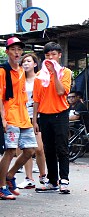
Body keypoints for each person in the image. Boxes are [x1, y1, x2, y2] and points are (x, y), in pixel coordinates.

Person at [0, 37, 38, 200]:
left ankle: (10, 175)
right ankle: (1, 186)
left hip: (23, 115)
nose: (17, 53)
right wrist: (3, 118)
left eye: (19, 50)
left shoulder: (22, 71)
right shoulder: (2, 71)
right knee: (10, 151)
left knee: (30, 150)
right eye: (13, 49)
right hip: (10, 115)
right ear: (7, 51)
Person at [33, 42, 73, 194]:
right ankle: (52, 181)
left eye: (54, 55)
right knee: (48, 149)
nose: (51, 58)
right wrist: (35, 120)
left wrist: (55, 74)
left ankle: (64, 180)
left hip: (60, 114)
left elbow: (60, 91)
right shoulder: (39, 76)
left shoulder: (66, 72)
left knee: (62, 148)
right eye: (48, 55)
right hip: (44, 115)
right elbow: (36, 99)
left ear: (59, 55)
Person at [14, 52, 47, 189]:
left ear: (35, 64)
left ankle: (43, 176)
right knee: (25, 148)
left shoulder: (40, 78)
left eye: (28, 61)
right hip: (22, 117)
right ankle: (29, 178)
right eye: (23, 62)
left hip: (37, 117)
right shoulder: (19, 79)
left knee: (39, 149)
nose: (25, 63)